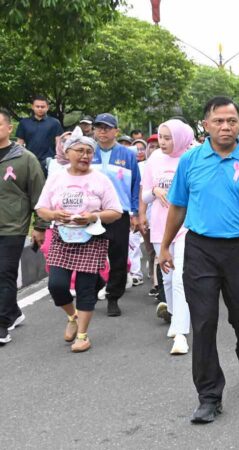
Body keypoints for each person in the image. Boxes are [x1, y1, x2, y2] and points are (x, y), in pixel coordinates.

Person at [160, 96, 239, 424]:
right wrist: (165, 245)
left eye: (232, 121)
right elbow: (178, 206)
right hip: (200, 249)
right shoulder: (191, 160)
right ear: (206, 125)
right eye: (219, 121)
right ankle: (209, 396)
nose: (226, 126)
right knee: (203, 322)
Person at [34, 132, 122, 352]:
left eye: (89, 152)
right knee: (56, 285)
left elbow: (116, 212)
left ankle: (82, 336)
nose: (85, 155)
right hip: (61, 236)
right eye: (80, 151)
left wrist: (93, 216)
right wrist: (54, 215)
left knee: (85, 288)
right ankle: (72, 316)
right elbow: (41, 208)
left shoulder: (101, 179)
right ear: (67, 152)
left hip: (91, 238)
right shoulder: (56, 177)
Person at [140, 119, 194, 355]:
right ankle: (174, 315)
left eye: (167, 138)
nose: (162, 142)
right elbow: (144, 195)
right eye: (160, 137)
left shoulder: (191, 158)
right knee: (168, 278)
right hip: (160, 227)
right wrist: (155, 190)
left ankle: (181, 333)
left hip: (186, 226)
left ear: (180, 138)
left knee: (181, 278)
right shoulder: (154, 159)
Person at [0, 108, 47, 345]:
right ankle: (14, 312)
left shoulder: (25, 158)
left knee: (4, 272)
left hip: (13, 226)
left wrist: (40, 226)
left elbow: (39, 194)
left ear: (10, 128)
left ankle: (2, 324)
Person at [90, 113, 140, 317]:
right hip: (92, 213)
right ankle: (94, 286)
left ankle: (113, 296)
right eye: (98, 127)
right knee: (90, 255)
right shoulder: (88, 152)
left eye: (107, 128)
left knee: (118, 257)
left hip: (119, 212)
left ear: (116, 131)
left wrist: (135, 212)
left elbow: (135, 184)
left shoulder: (128, 155)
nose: (102, 131)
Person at [15, 95, 63, 172]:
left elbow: (59, 142)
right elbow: (20, 143)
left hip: (49, 161)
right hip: (29, 160)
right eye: (37, 106)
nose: (40, 109)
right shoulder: (24, 123)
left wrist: (60, 159)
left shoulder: (55, 123)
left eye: (42, 107)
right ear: (32, 107)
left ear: (47, 108)